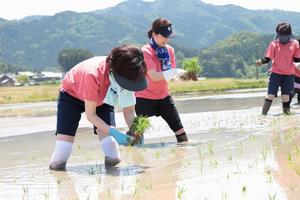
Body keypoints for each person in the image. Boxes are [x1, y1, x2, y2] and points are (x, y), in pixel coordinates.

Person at [49, 45, 147, 170]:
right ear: (115, 72)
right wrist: (113, 131)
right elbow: (91, 115)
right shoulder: (93, 74)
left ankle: (112, 185)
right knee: (61, 154)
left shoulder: (130, 74)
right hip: (71, 95)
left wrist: (137, 132)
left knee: (112, 153)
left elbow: (129, 111)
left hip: (103, 97)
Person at [134, 18, 188, 143]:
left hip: (164, 97)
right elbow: (154, 76)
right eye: (164, 36)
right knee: (137, 133)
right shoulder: (145, 51)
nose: (167, 39)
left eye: (169, 37)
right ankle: (133, 156)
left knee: (180, 132)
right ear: (154, 34)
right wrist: (174, 72)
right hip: (144, 97)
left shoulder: (170, 50)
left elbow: (171, 76)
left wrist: (183, 76)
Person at [256, 22, 300, 115]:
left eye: (285, 35)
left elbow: (297, 59)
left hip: (288, 75)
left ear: (289, 34)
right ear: (278, 34)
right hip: (275, 74)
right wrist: (261, 61)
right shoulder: (274, 44)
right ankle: (263, 116)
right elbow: (267, 58)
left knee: (286, 97)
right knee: (270, 95)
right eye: (281, 35)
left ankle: (287, 116)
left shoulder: (295, 43)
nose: (283, 37)